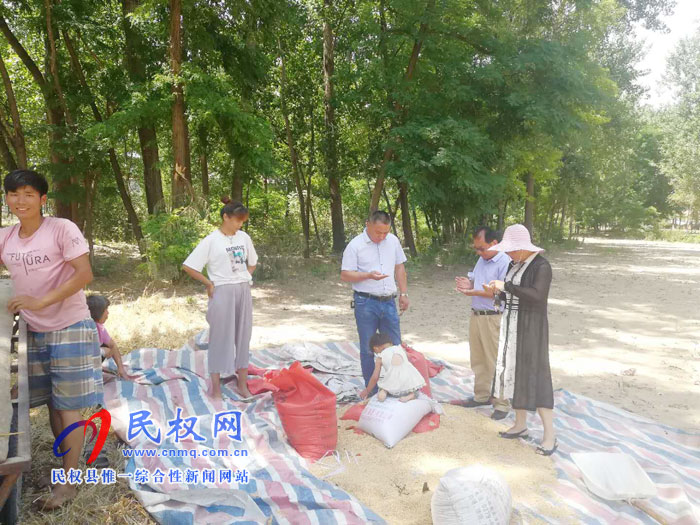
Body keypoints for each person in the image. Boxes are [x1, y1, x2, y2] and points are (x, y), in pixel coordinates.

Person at [0, 169, 103, 509]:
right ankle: (65, 469)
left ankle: (69, 485)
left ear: (42, 200)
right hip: (33, 329)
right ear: (7, 199)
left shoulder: (61, 229)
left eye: (29, 194)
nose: (21, 200)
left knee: (69, 408)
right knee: (51, 406)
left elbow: (84, 273)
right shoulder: (6, 237)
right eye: (14, 194)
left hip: (69, 326)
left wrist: (40, 301)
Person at [483, 224, 556, 456]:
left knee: (536, 374)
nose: (509, 255)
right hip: (512, 323)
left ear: (524, 248)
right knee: (514, 372)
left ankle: (549, 437)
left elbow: (537, 296)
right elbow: (512, 293)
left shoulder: (541, 266)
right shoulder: (516, 264)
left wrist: (506, 286)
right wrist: (498, 291)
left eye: (512, 250)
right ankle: (520, 423)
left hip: (531, 326)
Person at [182, 198, 257, 401]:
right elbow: (189, 266)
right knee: (219, 338)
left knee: (243, 337)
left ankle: (242, 385)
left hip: (243, 290)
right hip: (221, 290)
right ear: (226, 217)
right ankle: (215, 388)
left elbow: (252, 262)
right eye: (237, 220)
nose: (240, 224)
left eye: (242, 221)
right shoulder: (211, 240)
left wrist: (246, 276)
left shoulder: (244, 238)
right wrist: (208, 283)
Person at [341, 210, 409, 394]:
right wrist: (368, 275)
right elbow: (345, 274)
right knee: (368, 348)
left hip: (389, 302)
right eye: (378, 232)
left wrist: (403, 293)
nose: (382, 236)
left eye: (385, 232)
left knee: (395, 346)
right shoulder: (355, 245)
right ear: (367, 224)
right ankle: (371, 391)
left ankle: (396, 388)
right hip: (365, 302)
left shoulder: (393, 241)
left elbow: (400, 267)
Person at [455, 226, 511, 420]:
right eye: (476, 248)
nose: (478, 252)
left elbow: (500, 291)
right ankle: (481, 396)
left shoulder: (505, 261)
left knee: (496, 361)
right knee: (478, 359)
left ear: (494, 243)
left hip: (493, 316)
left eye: (481, 248)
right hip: (476, 314)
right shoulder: (482, 259)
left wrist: (474, 291)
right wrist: (467, 284)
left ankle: (502, 403)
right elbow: (477, 283)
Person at [359, 332, 425, 402]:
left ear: (376, 348)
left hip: (394, 389)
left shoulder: (379, 358)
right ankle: (411, 395)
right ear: (390, 343)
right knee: (414, 386)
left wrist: (367, 390)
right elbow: (411, 359)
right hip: (408, 385)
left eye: (376, 352)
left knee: (384, 386)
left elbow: (375, 377)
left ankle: (383, 393)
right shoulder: (400, 349)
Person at [86, 294, 129, 379]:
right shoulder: (86, 328)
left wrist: (121, 368)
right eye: (106, 310)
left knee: (108, 347)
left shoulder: (100, 329)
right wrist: (101, 351)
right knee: (105, 350)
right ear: (98, 312)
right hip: (83, 364)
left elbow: (113, 346)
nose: (108, 312)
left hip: (92, 360)